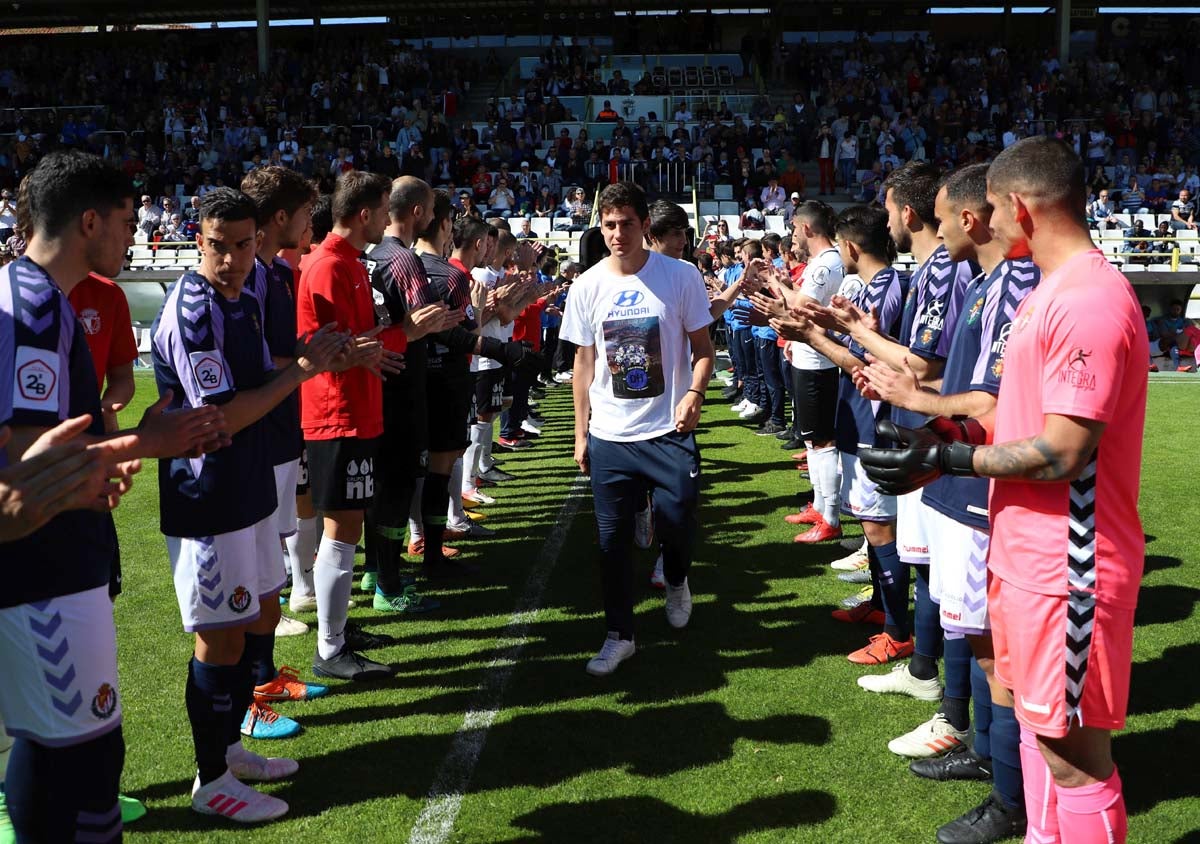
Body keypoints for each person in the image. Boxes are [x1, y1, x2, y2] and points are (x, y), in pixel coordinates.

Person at [862, 136, 1148, 844]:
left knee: (1075, 759)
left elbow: (1062, 453)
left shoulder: (1088, 300)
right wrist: (945, 442)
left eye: (990, 206)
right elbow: (1004, 414)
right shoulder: (1051, 291)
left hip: (1068, 567)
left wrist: (950, 464)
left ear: (1018, 206)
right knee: (1039, 734)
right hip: (1026, 556)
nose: (982, 219)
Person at [0, 150, 220, 843]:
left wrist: (103, 457)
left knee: (74, 747)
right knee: (78, 756)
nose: (134, 237)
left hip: (57, 560)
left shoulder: (38, 297)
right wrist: (148, 443)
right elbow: (30, 469)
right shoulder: (34, 305)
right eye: (127, 222)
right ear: (89, 220)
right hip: (43, 568)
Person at [151, 187, 348, 823]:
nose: (233, 258)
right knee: (220, 636)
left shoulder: (246, 297)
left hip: (250, 484)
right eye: (218, 246)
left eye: (243, 245)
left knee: (257, 613)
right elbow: (224, 416)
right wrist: (302, 372)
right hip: (207, 495)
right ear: (196, 239)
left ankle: (231, 747)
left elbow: (262, 377)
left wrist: (306, 362)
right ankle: (210, 782)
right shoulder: (194, 307)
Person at [857, 164, 1039, 844]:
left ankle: (1009, 797)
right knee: (982, 639)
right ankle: (992, 763)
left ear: (972, 216)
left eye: (941, 213)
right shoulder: (989, 283)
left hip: (984, 480)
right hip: (960, 471)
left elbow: (992, 401)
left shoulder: (1015, 282)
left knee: (998, 651)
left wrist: (918, 405)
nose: (927, 225)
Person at [560, 181, 715, 677]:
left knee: (679, 519)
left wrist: (694, 395)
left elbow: (704, 349)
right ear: (599, 227)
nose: (618, 233)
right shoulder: (587, 286)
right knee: (610, 542)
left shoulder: (681, 275)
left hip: (668, 429)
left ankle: (675, 577)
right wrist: (580, 433)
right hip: (611, 434)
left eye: (627, 223)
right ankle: (619, 635)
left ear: (645, 224)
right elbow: (584, 365)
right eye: (609, 224)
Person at [238, 166, 335, 738]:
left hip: (280, 431)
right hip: (257, 437)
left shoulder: (274, 272)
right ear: (282, 216)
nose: (309, 224)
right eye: (304, 213)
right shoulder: (247, 275)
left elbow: (277, 351)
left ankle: (265, 675)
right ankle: (248, 696)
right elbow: (252, 363)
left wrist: (313, 350)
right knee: (251, 574)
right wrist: (307, 361)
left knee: (269, 565)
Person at [295, 170, 397, 682]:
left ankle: (336, 631)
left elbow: (354, 342)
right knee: (341, 528)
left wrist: (373, 351)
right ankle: (330, 649)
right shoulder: (327, 267)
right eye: (383, 211)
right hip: (337, 416)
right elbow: (318, 350)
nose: (386, 220)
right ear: (364, 215)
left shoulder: (350, 263)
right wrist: (362, 352)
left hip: (357, 410)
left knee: (349, 526)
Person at [364, 177, 468, 594]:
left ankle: (376, 569)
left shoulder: (369, 256)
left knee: (382, 484)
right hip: (405, 383)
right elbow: (429, 320)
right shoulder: (404, 261)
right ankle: (391, 584)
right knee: (399, 482)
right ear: (419, 213)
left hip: (376, 379)